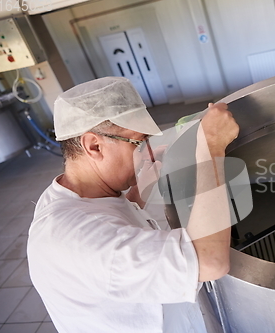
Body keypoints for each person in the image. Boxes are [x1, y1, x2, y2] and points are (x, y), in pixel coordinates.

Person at [27, 76, 239, 333]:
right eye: (139, 142)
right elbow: (209, 261)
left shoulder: (69, 194)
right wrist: (212, 147)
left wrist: (137, 192)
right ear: (94, 145)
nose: (147, 152)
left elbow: (107, 224)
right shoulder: (77, 239)